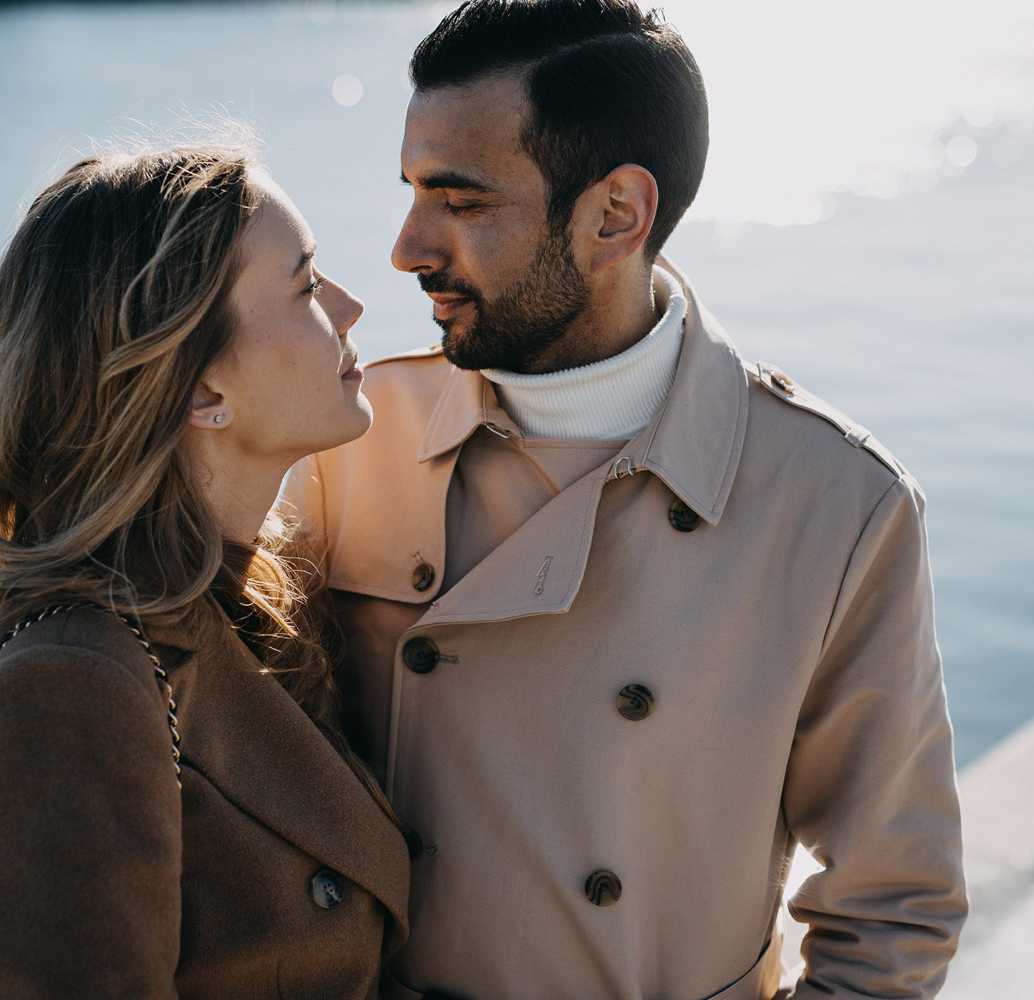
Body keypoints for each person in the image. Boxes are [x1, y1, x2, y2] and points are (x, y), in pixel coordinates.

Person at [282, 2, 968, 998]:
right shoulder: (350, 437)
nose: (406, 246)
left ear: (615, 215)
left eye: (460, 203)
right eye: (411, 193)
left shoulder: (836, 505)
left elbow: (893, 909)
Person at [0, 144, 408, 998]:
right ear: (203, 392)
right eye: (308, 286)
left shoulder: (244, 597)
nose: (351, 307)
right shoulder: (65, 688)